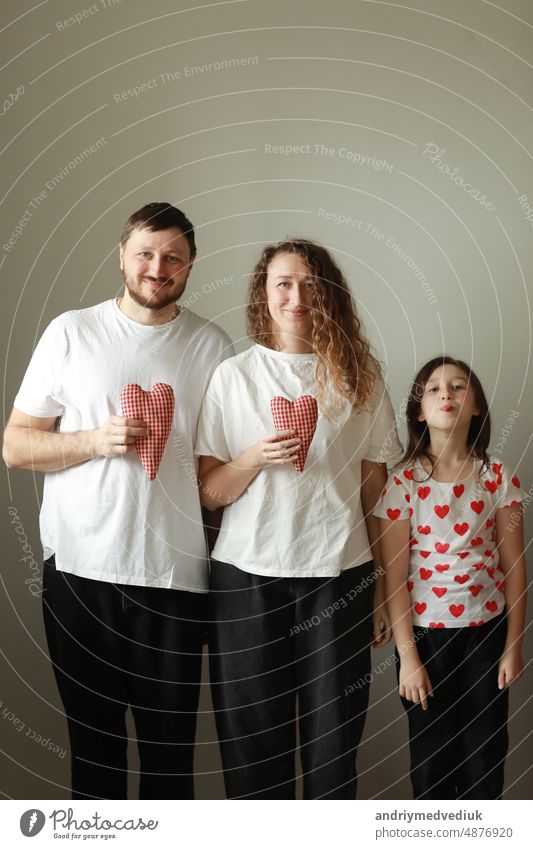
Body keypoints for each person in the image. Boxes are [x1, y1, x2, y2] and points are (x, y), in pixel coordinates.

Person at [2, 202, 232, 800]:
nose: (159, 267)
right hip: (81, 574)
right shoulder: (72, 332)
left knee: (169, 762)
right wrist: (92, 441)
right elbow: (15, 445)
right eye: (146, 254)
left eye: (173, 257)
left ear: (190, 266)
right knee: (95, 755)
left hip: (177, 580)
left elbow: (219, 476)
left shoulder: (213, 345)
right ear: (123, 257)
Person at [195, 238, 403, 799]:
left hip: (339, 576)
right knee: (251, 751)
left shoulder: (360, 378)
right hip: (245, 579)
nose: (297, 296)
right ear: (264, 295)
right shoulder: (232, 377)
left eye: (311, 284)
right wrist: (254, 458)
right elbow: (211, 492)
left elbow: (375, 494)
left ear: (327, 293)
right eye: (284, 283)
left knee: (333, 749)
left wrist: (385, 589)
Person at [374, 356, 527, 799]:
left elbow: (515, 569)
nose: (447, 394)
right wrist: (408, 659)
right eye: (434, 389)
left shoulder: (497, 477)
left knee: (485, 751)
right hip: (425, 638)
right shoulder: (403, 483)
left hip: (487, 634)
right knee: (431, 753)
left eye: (459, 387)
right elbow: (395, 579)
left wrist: (513, 647)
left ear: (476, 405)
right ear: (419, 411)